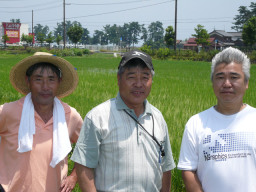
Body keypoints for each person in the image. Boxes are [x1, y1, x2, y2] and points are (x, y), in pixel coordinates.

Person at [71, 50, 176, 192]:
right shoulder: (98, 117)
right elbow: (83, 166)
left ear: (151, 80)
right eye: (131, 77)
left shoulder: (157, 118)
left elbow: (166, 166)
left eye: (145, 77)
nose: (138, 84)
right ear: (119, 79)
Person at [0, 52, 83, 192]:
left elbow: (87, 148)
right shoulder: (9, 111)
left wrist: (74, 176)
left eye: (51, 79)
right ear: (28, 81)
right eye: (38, 79)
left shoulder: (69, 115)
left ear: (59, 82)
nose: (45, 87)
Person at [178, 47, 256, 192]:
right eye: (220, 77)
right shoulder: (196, 123)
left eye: (234, 77)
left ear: (246, 83)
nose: (227, 84)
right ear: (213, 82)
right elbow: (188, 170)